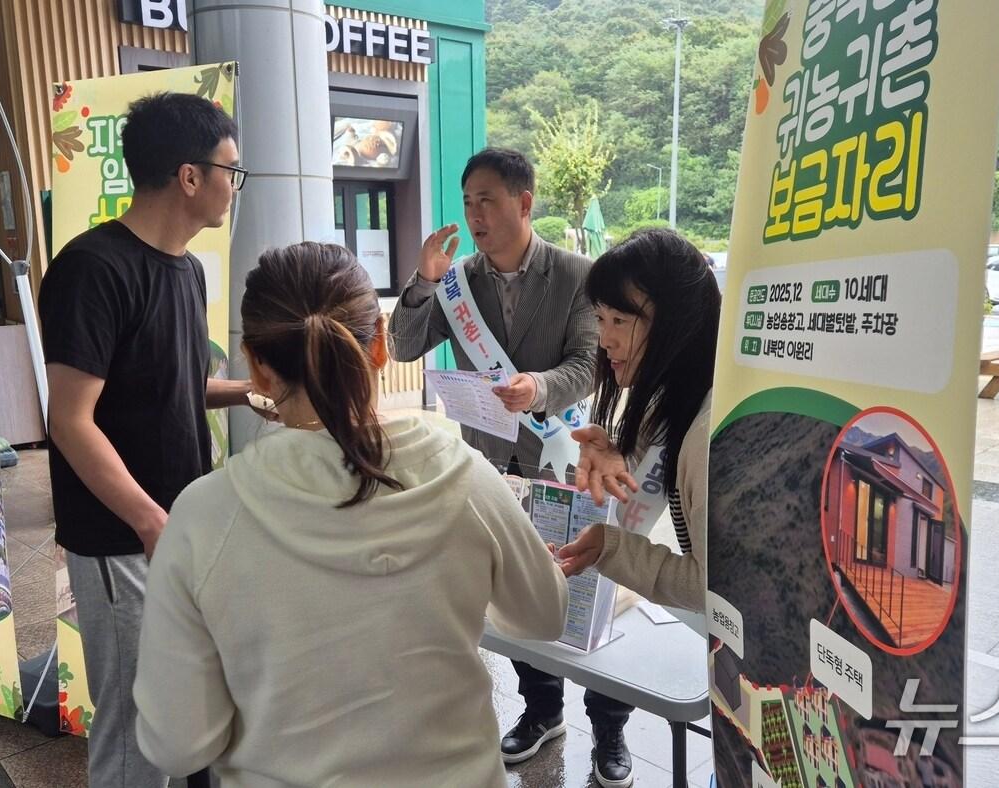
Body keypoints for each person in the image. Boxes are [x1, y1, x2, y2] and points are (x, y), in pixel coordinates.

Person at [132, 242, 568, 786]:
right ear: (381, 345)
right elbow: (545, 616)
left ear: (258, 370)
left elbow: (177, 745)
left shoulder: (202, 517)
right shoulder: (466, 477)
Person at [388, 148, 632, 785]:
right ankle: (541, 710)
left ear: (525, 203)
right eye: (468, 202)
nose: (475, 215)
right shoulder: (456, 280)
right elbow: (405, 344)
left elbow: (590, 363)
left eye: (487, 200)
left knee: (587, 589)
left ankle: (609, 728)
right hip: (488, 467)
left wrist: (539, 389)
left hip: (566, 459)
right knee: (516, 592)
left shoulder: (580, 274)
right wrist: (421, 280)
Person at [37, 92, 251, 788]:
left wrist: (251, 392)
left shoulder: (187, 271)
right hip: (122, 538)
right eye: (231, 170)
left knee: (190, 704)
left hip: (177, 527)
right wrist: (148, 518)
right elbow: (70, 419)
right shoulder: (92, 269)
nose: (233, 185)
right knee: (134, 722)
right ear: (190, 176)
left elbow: (173, 388)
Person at [556, 228, 719, 613]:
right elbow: (640, 465)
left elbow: (712, 588)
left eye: (620, 320)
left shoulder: (708, 435)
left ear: (676, 322)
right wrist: (616, 454)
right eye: (600, 318)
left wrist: (611, 548)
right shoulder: (670, 402)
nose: (603, 339)